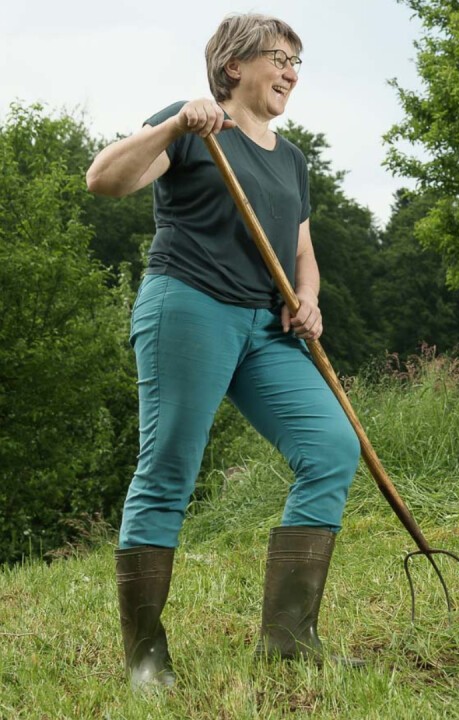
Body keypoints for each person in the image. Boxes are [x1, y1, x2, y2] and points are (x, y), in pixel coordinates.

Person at [85, 13, 361, 689]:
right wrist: (177, 124)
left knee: (331, 446)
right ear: (235, 65)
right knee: (169, 468)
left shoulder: (292, 158)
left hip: (266, 330)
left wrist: (308, 297)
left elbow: (301, 250)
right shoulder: (193, 126)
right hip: (189, 306)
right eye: (280, 57)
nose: (292, 71)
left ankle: (288, 640)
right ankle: (147, 659)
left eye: (299, 61)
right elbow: (105, 180)